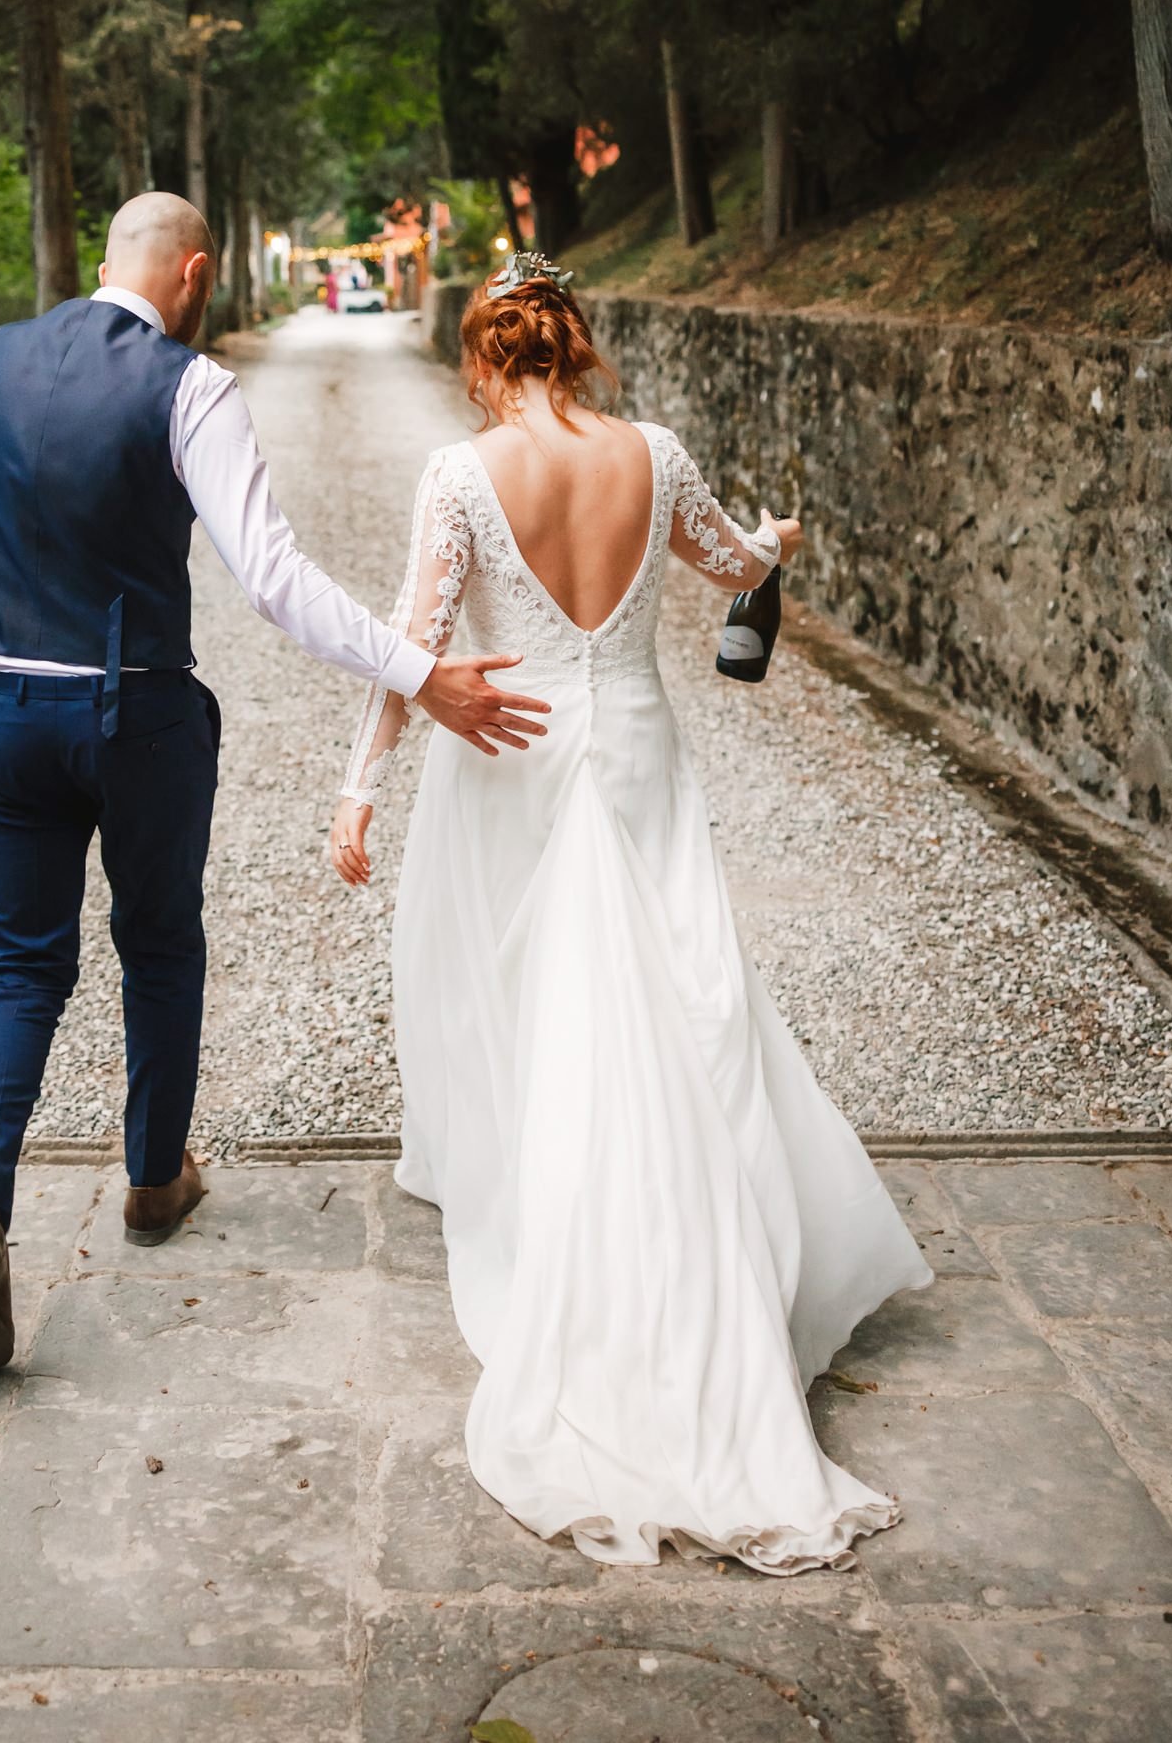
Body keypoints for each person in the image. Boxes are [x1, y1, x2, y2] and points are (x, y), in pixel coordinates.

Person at [0, 194, 549, 1371]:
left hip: (7, 711)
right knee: (160, 939)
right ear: (192, 273)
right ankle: (151, 1177)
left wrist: (11, 567)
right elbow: (275, 582)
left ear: (99, 267)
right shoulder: (189, 386)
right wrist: (419, 670)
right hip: (138, 711)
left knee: (19, 962)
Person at [328, 252, 930, 1574]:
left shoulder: (458, 475)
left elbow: (411, 646)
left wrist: (357, 791)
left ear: (485, 360)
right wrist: (776, 544)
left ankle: (564, 1219)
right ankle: (690, 1224)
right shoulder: (654, 454)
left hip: (512, 756)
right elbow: (731, 569)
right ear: (580, 346)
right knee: (672, 990)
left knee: (528, 994)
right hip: (638, 741)